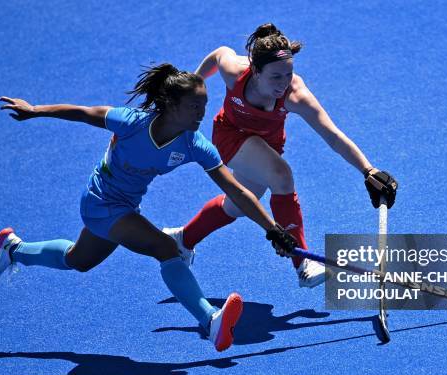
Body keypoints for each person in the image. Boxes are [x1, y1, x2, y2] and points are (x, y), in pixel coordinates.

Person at [0, 63, 297, 352]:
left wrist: (273, 229)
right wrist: (35, 110)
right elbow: (83, 112)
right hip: (101, 202)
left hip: (125, 207)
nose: (201, 113)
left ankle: (14, 249)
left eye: (203, 106)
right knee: (166, 248)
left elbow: (237, 191)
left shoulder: (194, 144)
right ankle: (210, 320)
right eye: (194, 106)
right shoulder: (133, 123)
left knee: (78, 260)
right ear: (171, 106)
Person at [163, 23, 398, 288]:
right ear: (255, 71)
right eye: (276, 77)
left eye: (288, 74)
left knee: (239, 205)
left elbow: (332, 135)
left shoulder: (295, 95)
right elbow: (220, 53)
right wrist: (194, 84)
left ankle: (183, 238)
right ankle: (302, 262)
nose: (283, 83)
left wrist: (368, 170)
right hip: (230, 134)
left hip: (268, 145)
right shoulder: (234, 71)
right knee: (281, 175)